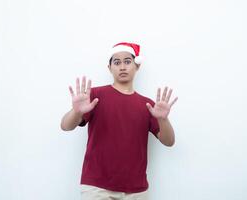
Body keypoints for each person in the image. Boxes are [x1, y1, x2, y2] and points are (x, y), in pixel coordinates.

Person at [60, 42, 178, 200]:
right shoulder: (95, 95)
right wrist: (76, 111)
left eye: (127, 62)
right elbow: (65, 126)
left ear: (137, 66)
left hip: (136, 190)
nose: (122, 67)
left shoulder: (148, 105)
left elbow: (169, 141)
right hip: (97, 188)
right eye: (117, 62)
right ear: (109, 68)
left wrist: (163, 119)